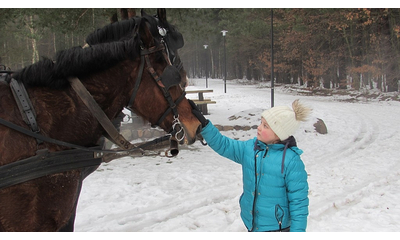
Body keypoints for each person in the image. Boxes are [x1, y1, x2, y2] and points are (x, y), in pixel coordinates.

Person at [189, 99, 311, 232]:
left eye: (266, 126)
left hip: (277, 227)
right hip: (253, 223)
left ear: (279, 134)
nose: (259, 127)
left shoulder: (291, 161)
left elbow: (299, 203)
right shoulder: (250, 149)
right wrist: (205, 125)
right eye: (261, 122)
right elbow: (224, 145)